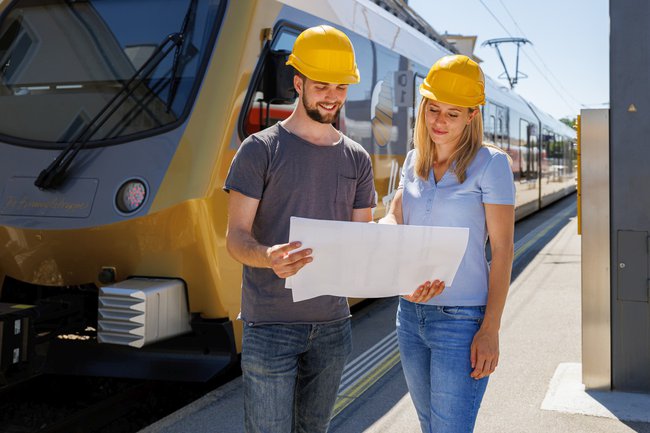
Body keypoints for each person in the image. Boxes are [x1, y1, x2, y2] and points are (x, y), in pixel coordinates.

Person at [223, 25, 375, 433]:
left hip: (332, 328)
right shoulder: (259, 150)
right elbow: (235, 236)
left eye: (340, 86)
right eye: (321, 85)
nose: (332, 96)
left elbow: (363, 242)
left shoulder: (358, 159)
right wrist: (267, 257)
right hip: (269, 327)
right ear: (298, 83)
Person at [380, 54, 515, 433]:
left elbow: (503, 250)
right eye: (433, 109)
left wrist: (491, 329)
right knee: (429, 426)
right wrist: (386, 227)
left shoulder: (492, 165)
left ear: (472, 116)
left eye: (452, 114)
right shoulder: (412, 162)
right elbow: (396, 214)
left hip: (462, 322)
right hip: (410, 316)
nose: (439, 121)